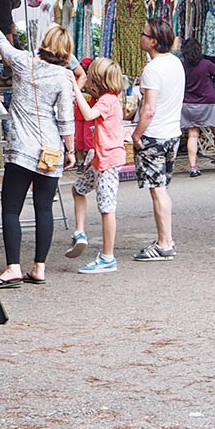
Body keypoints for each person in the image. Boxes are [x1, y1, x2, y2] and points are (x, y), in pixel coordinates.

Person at [0, 15, 75, 286]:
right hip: (50, 149)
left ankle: (13, 268)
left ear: (45, 44)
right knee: (44, 208)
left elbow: (1, 45)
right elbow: (65, 119)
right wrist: (70, 150)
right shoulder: (64, 77)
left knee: (11, 209)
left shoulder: (24, 63)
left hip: (22, 148)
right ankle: (39, 267)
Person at [128, 19, 185, 262]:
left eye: (144, 34)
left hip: (155, 135)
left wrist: (136, 134)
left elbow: (149, 109)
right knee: (162, 188)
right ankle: (166, 239)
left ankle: (164, 242)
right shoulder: (175, 63)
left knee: (157, 190)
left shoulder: (152, 69)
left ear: (153, 41)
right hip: (172, 131)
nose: (140, 37)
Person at [68, 58, 127, 274]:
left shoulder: (107, 100)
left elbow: (88, 115)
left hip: (108, 162)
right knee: (79, 189)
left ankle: (107, 257)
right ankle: (80, 232)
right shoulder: (108, 98)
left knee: (107, 208)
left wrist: (75, 87)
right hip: (99, 159)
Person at [179, 39, 215, 176]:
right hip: (208, 103)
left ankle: (193, 167)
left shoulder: (182, 66)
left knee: (192, 134)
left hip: (188, 104)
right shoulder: (206, 64)